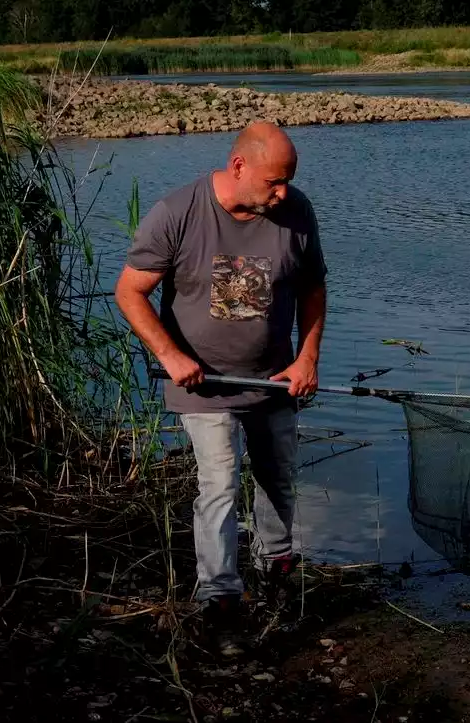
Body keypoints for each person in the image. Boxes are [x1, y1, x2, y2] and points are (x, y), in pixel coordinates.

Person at [114, 122, 327, 654]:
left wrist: (307, 357)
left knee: (278, 475)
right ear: (238, 167)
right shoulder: (177, 213)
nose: (283, 193)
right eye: (275, 182)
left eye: (288, 183)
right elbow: (130, 291)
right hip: (203, 386)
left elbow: (313, 286)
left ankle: (274, 567)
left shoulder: (295, 212)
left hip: (275, 379)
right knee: (221, 483)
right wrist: (169, 355)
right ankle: (220, 598)